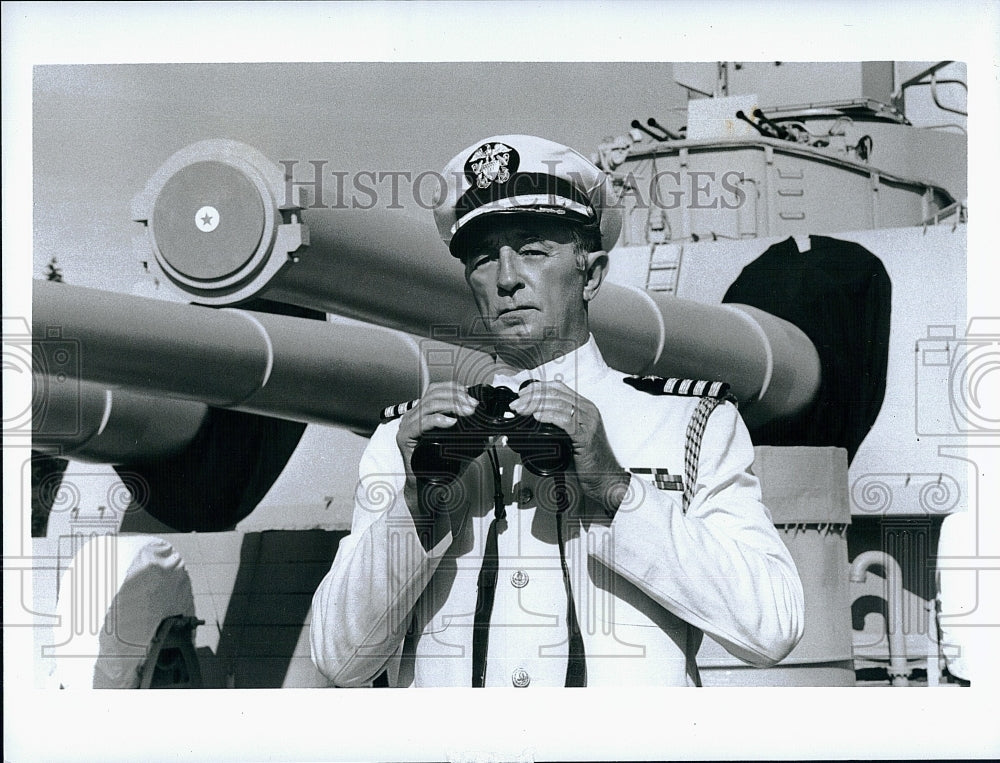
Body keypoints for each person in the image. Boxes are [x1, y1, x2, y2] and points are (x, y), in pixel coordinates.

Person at [311, 135, 804, 687]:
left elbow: (773, 626)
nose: (505, 278)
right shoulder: (406, 438)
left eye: (532, 251)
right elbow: (340, 658)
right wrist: (418, 506)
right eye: (482, 259)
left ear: (590, 274)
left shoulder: (690, 423)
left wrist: (617, 489)